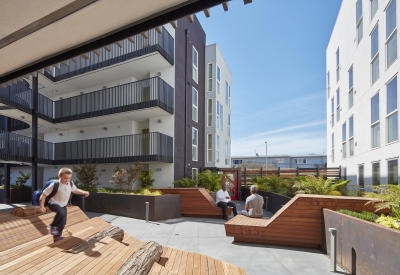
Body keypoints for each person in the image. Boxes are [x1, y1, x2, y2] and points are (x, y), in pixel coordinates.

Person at [39, 167, 89, 242]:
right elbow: (43, 195)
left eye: (69, 178)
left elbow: (75, 190)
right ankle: (52, 227)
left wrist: (83, 192)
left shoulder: (70, 183)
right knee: (61, 212)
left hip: (63, 205)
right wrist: (42, 206)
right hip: (53, 203)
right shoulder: (54, 185)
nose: (67, 180)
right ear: (59, 176)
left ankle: (57, 236)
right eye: (65, 178)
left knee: (63, 222)